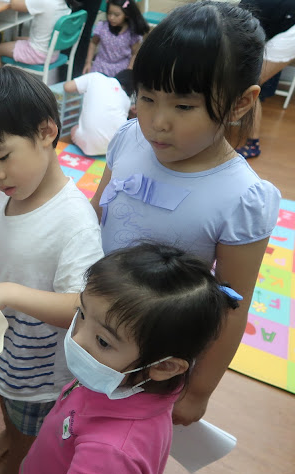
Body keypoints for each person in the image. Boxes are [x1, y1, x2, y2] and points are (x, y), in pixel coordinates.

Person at [89, 1, 281, 426]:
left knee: (122, 432)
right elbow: (94, 215)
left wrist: (199, 391)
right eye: (147, 97)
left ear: (239, 104)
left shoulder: (242, 197)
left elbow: (231, 306)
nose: (157, 122)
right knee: (73, 409)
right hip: (91, 321)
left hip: (157, 350)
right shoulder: (128, 139)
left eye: (183, 106)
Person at [0, 66, 105, 474]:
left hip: (40, 367)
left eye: (2, 157)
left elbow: (80, 309)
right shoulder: (11, 194)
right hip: (6, 339)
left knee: (29, 427)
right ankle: (10, 434)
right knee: (4, 396)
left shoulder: (74, 222)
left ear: (46, 132)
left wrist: (6, 294)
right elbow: (9, 261)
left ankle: (17, 458)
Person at [20, 243, 240, 474]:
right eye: (81, 313)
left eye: (103, 341)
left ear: (164, 366)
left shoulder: (110, 454)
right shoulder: (118, 379)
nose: (77, 338)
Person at [236, 0, 295, 159]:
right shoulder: (243, 11)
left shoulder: (242, 15)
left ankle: (252, 145)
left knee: (248, 85)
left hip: (291, 29)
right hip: (283, 21)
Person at [64, 68, 133, 156]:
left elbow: (67, 87)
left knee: (74, 129)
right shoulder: (126, 99)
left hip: (88, 144)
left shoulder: (95, 77)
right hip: (114, 148)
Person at [0, 0, 72, 68]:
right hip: (53, 53)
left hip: (38, 54)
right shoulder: (64, 3)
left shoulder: (44, 2)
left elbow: (14, 5)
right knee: (15, 38)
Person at [83, 0, 149, 77]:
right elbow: (93, 43)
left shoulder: (132, 33)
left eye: (116, 15)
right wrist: (88, 62)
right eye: (109, 13)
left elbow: (135, 54)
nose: (111, 17)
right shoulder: (102, 27)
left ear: (126, 14)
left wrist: (129, 69)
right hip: (100, 66)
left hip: (121, 68)